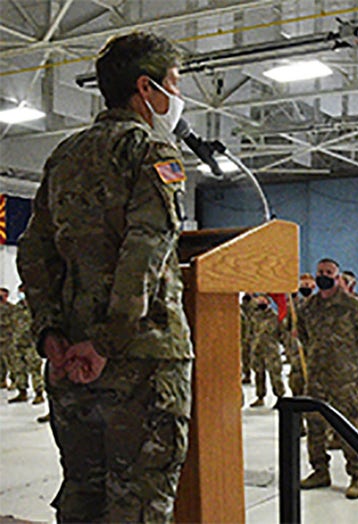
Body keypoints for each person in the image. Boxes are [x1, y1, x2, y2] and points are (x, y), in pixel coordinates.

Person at [16, 31, 193, 521]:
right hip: (140, 361)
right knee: (138, 503)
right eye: (173, 84)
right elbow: (145, 253)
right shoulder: (152, 152)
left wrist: (50, 333)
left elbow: (34, 250)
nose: (177, 96)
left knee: (83, 496)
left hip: (70, 363)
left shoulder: (65, 156)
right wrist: (107, 341)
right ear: (146, 88)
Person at [296, 258, 358, 499]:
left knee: (351, 428)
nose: (323, 276)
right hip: (317, 377)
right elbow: (303, 334)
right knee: (314, 426)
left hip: (347, 378)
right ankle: (320, 471)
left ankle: (356, 475)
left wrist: (354, 353)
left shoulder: (353, 306)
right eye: (320, 272)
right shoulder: (308, 307)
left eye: (329, 273)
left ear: (337, 276)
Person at [248, 294, 286, 408]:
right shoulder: (254, 317)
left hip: (271, 351)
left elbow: (282, 334)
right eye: (259, 299)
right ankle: (260, 397)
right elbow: (250, 333)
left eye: (263, 299)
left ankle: (280, 397)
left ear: (268, 302)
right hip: (257, 349)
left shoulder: (274, 317)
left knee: (275, 374)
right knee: (258, 374)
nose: (260, 301)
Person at [8, 286, 44, 404]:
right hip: (17, 343)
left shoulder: (35, 307)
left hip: (31, 344)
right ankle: (22, 392)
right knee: (18, 368)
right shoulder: (16, 308)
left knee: (35, 369)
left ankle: (39, 393)